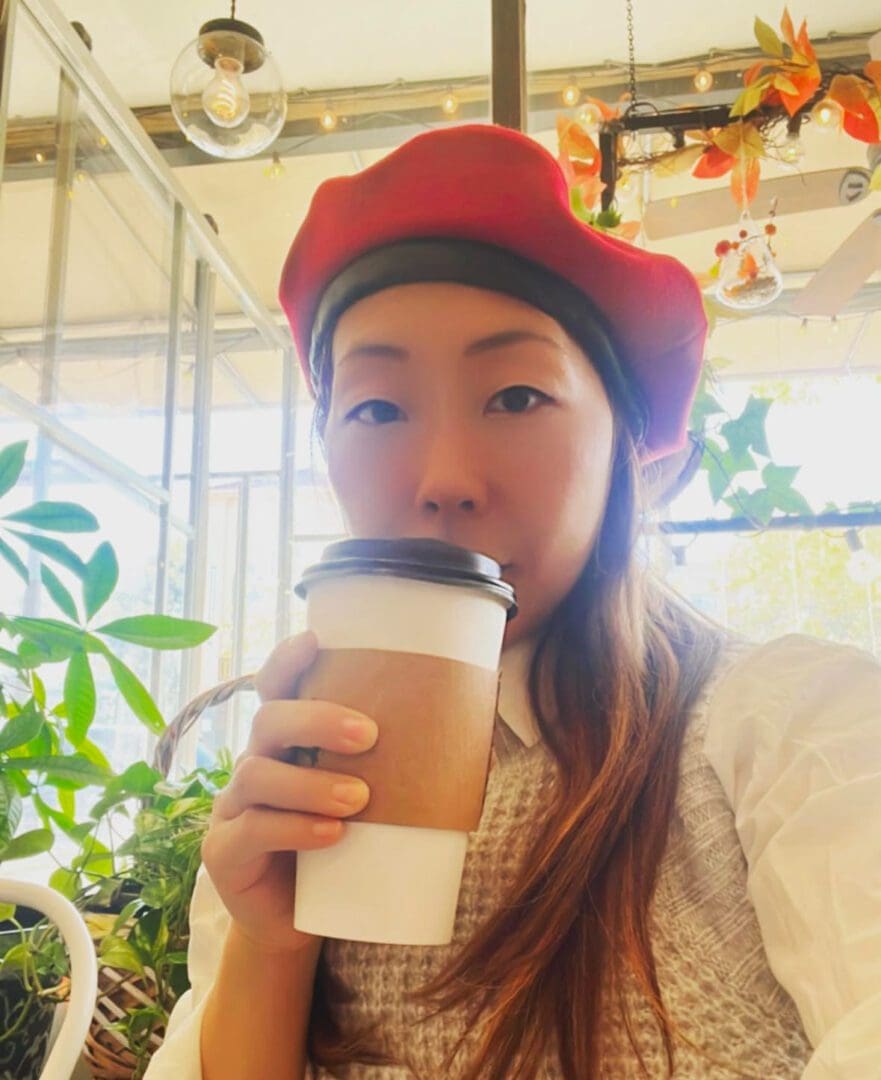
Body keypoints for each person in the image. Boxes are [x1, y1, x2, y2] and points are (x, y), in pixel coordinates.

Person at [144, 124, 881, 1080]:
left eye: (517, 396)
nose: (444, 480)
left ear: (626, 448)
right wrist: (270, 946)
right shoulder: (300, 771)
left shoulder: (788, 725)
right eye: (376, 408)